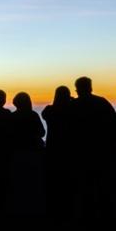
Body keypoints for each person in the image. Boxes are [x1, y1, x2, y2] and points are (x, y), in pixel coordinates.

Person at [70, 77, 116, 224]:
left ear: (77, 89)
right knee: (104, 189)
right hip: (102, 154)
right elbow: (115, 125)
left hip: (80, 156)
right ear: (90, 87)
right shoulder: (101, 103)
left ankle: (86, 220)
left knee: (84, 190)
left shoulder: (74, 106)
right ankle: (106, 221)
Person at [42, 86, 74, 220]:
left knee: (53, 183)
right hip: (69, 150)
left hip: (52, 148)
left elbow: (45, 114)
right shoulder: (72, 110)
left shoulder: (49, 110)